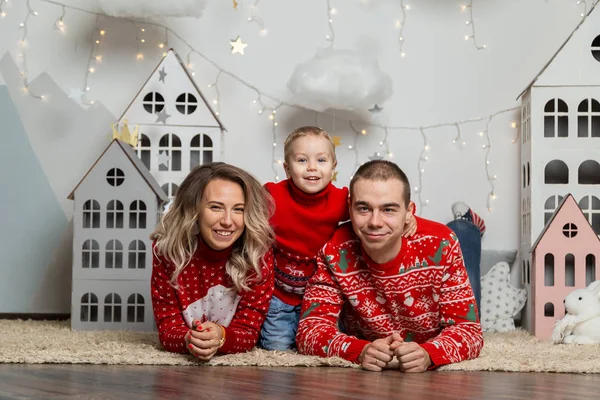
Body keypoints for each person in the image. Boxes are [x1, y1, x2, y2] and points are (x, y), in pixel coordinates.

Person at [296, 160, 483, 372]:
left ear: (409, 212)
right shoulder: (335, 250)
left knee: (463, 238)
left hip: (445, 250)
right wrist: (359, 350)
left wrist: (430, 353)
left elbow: (469, 331)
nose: (375, 222)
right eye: (364, 208)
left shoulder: (442, 243)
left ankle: (468, 224)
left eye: (389, 209)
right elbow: (309, 331)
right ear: (349, 208)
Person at [259, 126, 418, 350]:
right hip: (280, 295)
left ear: (333, 167)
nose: (312, 167)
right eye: (302, 160)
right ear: (287, 169)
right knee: (276, 348)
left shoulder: (341, 200)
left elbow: (375, 208)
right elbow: (244, 209)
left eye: (321, 160)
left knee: (326, 344)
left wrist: (410, 218)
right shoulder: (273, 196)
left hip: (322, 296)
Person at [150, 162, 276, 361]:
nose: (227, 221)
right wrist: (190, 339)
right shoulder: (166, 251)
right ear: (194, 210)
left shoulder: (257, 254)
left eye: (238, 209)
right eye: (216, 207)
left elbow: (248, 332)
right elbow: (167, 328)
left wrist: (221, 336)